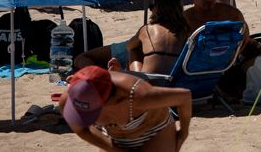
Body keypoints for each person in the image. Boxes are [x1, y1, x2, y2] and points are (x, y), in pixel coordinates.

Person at [60, 64, 193, 151]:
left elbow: (184, 96)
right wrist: (114, 149)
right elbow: (82, 130)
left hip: (154, 132)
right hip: (113, 138)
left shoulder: (139, 95)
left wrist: (183, 132)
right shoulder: (70, 98)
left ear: (109, 101)